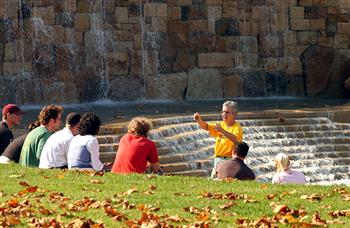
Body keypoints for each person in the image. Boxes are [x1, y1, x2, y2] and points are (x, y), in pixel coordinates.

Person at [193, 101, 243, 178]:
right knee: (215, 179)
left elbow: (236, 140)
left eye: (227, 112)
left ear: (234, 114)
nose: (224, 114)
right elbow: (207, 127)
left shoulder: (237, 128)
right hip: (218, 159)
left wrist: (222, 131)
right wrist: (199, 120)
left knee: (223, 180)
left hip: (229, 160)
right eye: (223, 111)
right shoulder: (220, 124)